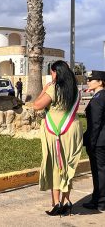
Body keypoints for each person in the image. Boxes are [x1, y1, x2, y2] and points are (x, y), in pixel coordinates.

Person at [33, 60, 82, 216]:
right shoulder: (75, 90)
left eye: (52, 72)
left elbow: (37, 105)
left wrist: (44, 89)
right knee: (67, 165)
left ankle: (56, 203)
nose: (51, 75)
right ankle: (67, 201)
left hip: (57, 131)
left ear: (56, 72)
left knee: (56, 164)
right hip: (72, 129)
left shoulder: (54, 88)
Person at [82, 70, 105, 211]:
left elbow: (95, 124)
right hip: (102, 139)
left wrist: (91, 142)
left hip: (99, 142)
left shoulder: (98, 98)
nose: (88, 82)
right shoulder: (101, 96)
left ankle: (100, 201)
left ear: (100, 82)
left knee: (99, 171)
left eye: (91, 79)